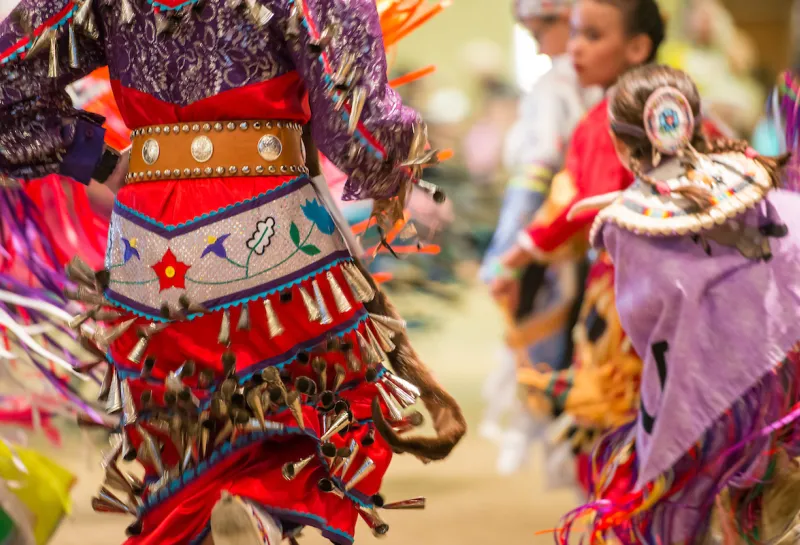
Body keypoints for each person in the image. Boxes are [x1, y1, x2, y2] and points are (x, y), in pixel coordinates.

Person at [0, 2, 466, 545]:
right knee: (323, 415)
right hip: (269, 238)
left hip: (146, 255)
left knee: (183, 452)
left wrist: (96, 159)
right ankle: (259, 513)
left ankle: (239, 517)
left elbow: (9, 80)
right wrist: (404, 166)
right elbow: (357, 128)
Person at [558, 63, 800, 545]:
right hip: (784, 384)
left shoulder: (628, 223)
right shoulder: (753, 182)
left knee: (702, 515)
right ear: (694, 120)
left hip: (704, 407)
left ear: (624, 148)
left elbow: (646, 328)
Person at [488, 0, 665, 494]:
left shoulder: (627, 114)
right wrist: (522, 249)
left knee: (620, 423)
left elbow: (577, 200)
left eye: (592, 36)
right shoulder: (614, 110)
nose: (576, 46)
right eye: (576, 33)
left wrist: (517, 250)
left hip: (633, 306)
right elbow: (570, 198)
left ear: (636, 47)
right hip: (623, 294)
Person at [478, 0, 598, 476]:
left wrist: (505, 254)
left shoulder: (557, 85)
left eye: (541, 25)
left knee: (566, 383)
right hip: (590, 247)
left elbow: (536, 174)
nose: (533, 35)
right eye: (525, 26)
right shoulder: (583, 81)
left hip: (560, 249)